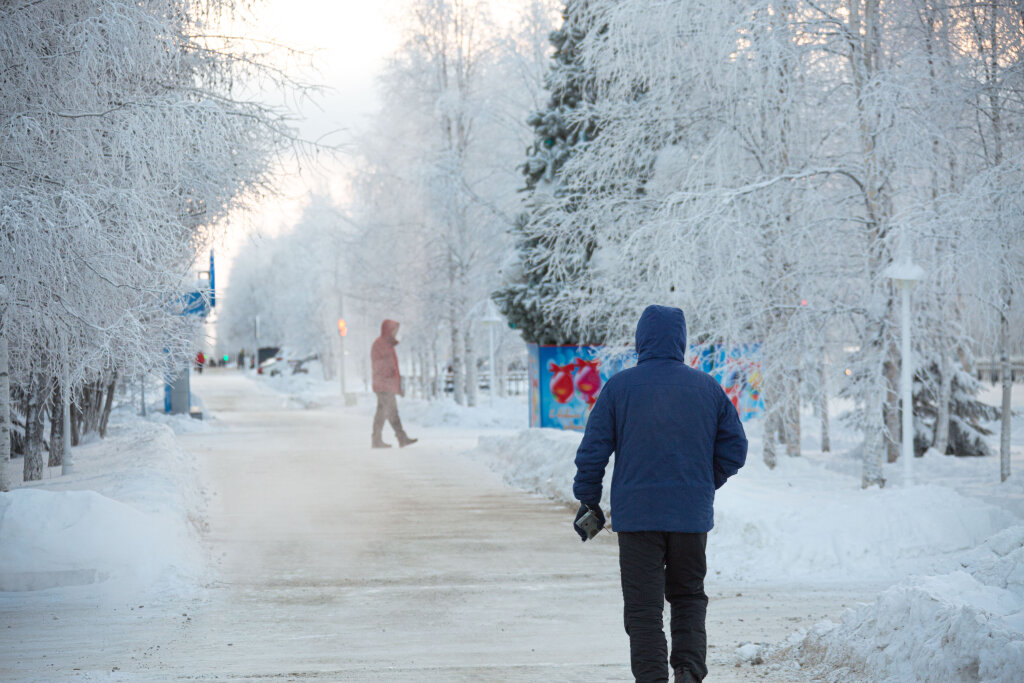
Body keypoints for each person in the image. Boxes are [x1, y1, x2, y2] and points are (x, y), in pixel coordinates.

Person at [572, 305, 747, 683]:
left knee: (643, 608)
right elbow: (736, 449)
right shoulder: (707, 388)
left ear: (641, 339)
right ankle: (687, 670)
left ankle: (651, 678)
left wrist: (589, 498)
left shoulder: (620, 387)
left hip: (638, 520)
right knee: (688, 595)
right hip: (690, 516)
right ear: (680, 340)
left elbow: (593, 450)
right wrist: (704, 481)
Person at [370, 319, 417, 449]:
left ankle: (382, 439)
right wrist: (389, 377)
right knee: (388, 412)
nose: (396, 333)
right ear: (388, 330)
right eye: (394, 330)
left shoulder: (386, 344)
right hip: (383, 384)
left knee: (386, 412)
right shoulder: (381, 344)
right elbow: (381, 364)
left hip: (386, 384)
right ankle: (397, 438)